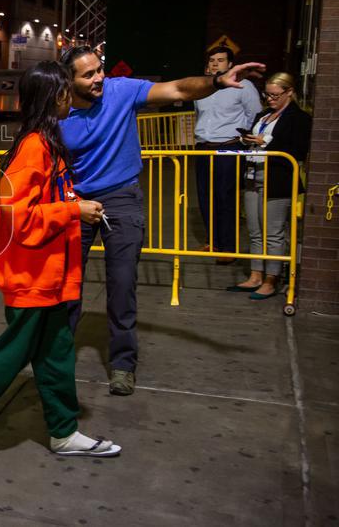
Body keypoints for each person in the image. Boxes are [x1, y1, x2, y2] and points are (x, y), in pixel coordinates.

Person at [59, 46, 264, 396]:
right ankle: (57, 358)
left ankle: (123, 364)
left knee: (121, 284)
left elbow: (179, 89)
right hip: (76, 200)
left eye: (99, 70)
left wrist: (216, 81)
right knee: (66, 286)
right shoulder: (58, 111)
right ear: (69, 80)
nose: (99, 78)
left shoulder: (120, 90)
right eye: (88, 74)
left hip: (121, 198)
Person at [0, 61, 121, 458]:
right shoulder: (34, 147)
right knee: (10, 357)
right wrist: (73, 212)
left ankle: (64, 432)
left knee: (57, 352)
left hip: (50, 276)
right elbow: (20, 218)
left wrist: (74, 203)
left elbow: (46, 201)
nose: (73, 97)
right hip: (30, 276)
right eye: (67, 91)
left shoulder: (46, 142)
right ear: (55, 97)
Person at [230, 72, 311, 299]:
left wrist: (266, 142)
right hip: (253, 175)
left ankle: (271, 279)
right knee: (255, 231)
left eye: (275, 95)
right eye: (267, 94)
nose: (270, 99)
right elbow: (258, 138)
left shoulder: (299, 118)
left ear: (290, 92)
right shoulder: (264, 114)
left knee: (273, 234)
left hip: (277, 180)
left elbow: (297, 150)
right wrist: (247, 140)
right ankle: (256, 275)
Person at [194, 46, 262, 261]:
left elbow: (255, 115)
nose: (215, 64)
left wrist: (243, 139)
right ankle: (213, 241)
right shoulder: (202, 88)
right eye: (212, 60)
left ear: (230, 64)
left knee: (226, 197)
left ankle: (228, 247)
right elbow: (199, 115)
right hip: (203, 147)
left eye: (221, 60)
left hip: (229, 147)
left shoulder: (244, 86)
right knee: (206, 196)